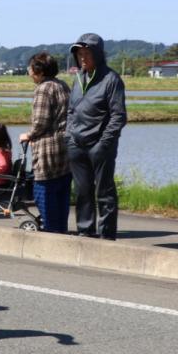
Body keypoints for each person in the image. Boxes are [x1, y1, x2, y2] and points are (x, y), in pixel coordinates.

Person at [67, 33, 127, 240]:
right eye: (79, 54)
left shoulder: (111, 80)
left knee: (104, 192)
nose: (83, 58)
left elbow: (118, 117)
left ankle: (107, 234)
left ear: (98, 54)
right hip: (76, 143)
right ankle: (85, 231)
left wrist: (104, 144)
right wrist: (69, 135)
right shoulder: (77, 78)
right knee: (82, 191)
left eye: (87, 53)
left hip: (100, 145)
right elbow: (71, 110)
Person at [18, 52, 71, 233]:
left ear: (38, 70)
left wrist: (29, 135)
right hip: (65, 145)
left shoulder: (43, 88)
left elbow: (40, 121)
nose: (29, 72)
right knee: (62, 192)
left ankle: (50, 231)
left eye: (30, 68)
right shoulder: (62, 85)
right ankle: (60, 229)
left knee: (44, 191)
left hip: (48, 147)